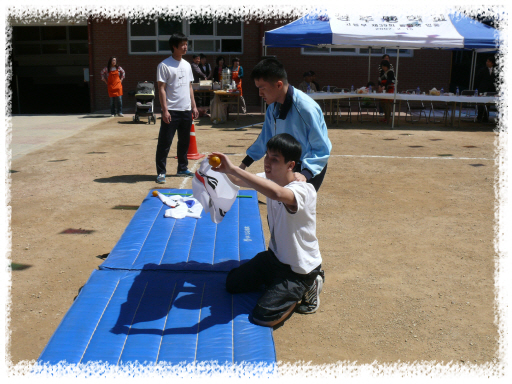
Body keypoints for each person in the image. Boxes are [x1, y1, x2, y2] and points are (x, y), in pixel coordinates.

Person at [210, 133, 325, 327]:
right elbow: (238, 181)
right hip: (274, 259)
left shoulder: (304, 190)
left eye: (275, 159)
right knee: (232, 284)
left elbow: (278, 193)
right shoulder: (268, 178)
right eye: (267, 156)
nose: (267, 162)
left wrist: (234, 169)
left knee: (263, 317)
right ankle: (277, 285)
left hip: (299, 270)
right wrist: (221, 169)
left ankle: (310, 284)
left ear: (291, 165)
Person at [241, 58, 331, 192]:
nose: (260, 94)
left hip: (308, 168)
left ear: (278, 85)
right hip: (285, 165)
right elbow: (265, 138)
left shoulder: (306, 109)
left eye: (262, 88)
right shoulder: (272, 107)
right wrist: (243, 165)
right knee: (277, 207)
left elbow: (321, 148)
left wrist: (305, 174)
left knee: (292, 209)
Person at [155, 32, 199, 184]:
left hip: (186, 110)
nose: (185, 47)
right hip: (172, 110)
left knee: (184, 141)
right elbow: (161, 88)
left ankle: (182, 168)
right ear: (174, 47)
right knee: (165, 142)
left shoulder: (187, 65)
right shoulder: (164, 65)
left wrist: (193, 106)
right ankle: (161, 172)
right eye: (182, 45)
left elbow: (189, 87)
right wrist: (165, 109)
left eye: (186, 44)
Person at [475, 56, 497, 122]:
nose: (487, 63)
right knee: (481, 103)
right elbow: (478, 79)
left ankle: (485, 117)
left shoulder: (495, 70)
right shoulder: (482, 70)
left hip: (490, 89)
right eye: (487, 61)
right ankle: (479, 117)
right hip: (482, 89)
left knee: (488, 103)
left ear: (492, 63)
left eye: (488, 61)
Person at [377, 60, 395, 124]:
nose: (383, 68)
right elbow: (379, 80)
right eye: (382, 67)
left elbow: (392, 81)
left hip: (389, 89)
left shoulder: (390, 72)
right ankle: (385, 117)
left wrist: (385, 83)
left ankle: (388, 118)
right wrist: (379, 85)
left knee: (387, 104)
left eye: (384, 66)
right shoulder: (382, 72)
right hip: (383, 89)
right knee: (382, 103)